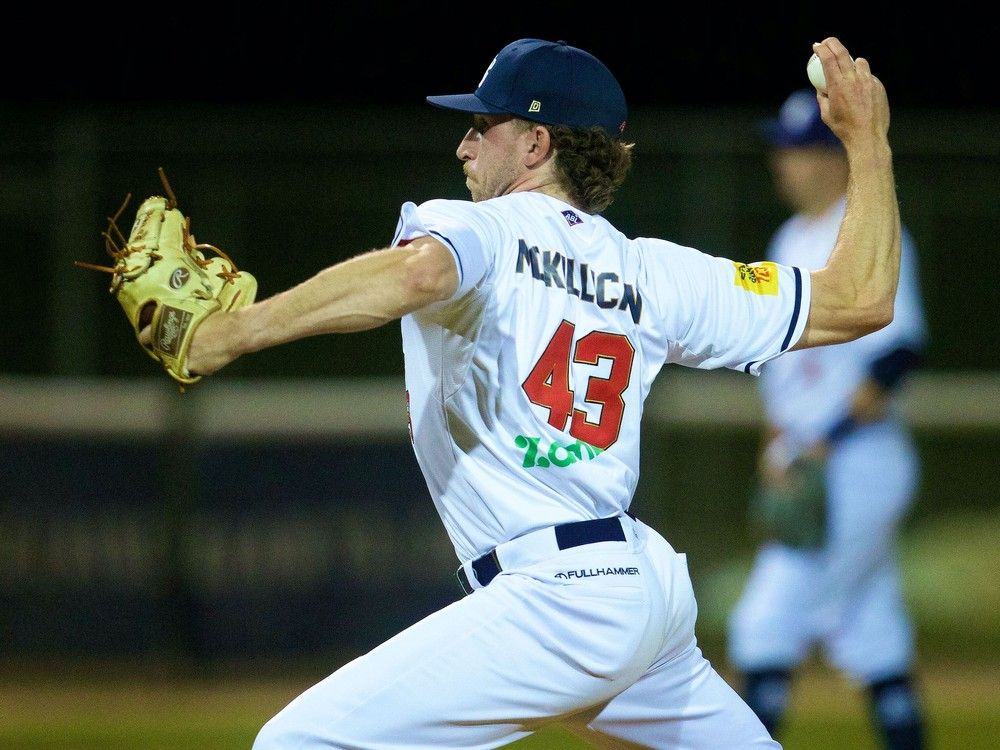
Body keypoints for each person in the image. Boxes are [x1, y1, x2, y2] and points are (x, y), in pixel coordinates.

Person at [167, 35, 900, 748]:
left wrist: (229, 333)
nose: (464, 145)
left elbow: (420, 274)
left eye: (484, 126)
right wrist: (868, 143)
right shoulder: (656, 273)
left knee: (296, 742)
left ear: (537, 144)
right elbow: (862, 297)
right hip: (642, 593)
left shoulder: (476, 227)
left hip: (558, 599)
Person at [725, 88, 929, 750]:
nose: (786, 164)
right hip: (811, 459)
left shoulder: (871, 227)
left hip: (856, 462)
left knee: (765, 623)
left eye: (803, 150)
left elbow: (897, 357)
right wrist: (778, 443)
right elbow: (780, 369)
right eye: (784, 150)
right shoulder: (789, 237)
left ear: (838, 157)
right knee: (873, 633)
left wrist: (822, 444)